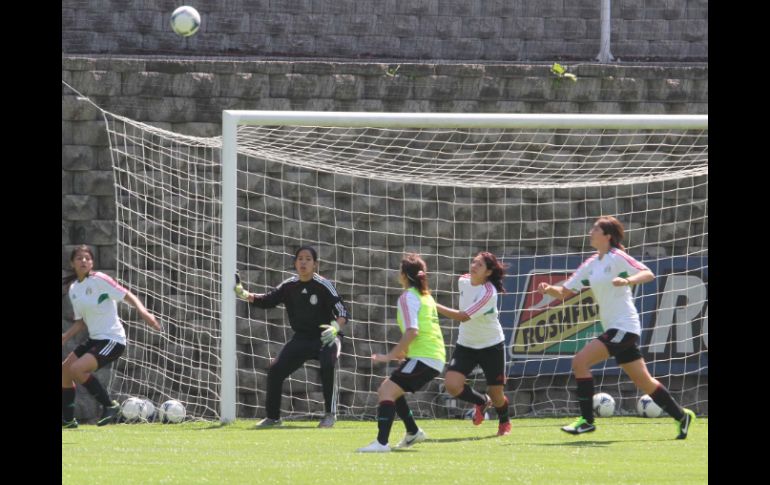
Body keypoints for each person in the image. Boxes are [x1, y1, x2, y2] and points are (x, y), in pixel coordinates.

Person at [537, 216, 696, 439]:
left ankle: (586, 421)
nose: (590, 232)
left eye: (595, 229)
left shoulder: (617, 257)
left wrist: (627, 281)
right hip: (616, 328)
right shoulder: (591, 263)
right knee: (643, 381)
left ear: (607, 236)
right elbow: (564, 292)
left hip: (624, 327)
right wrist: (548, 289)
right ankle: (681, 416)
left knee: (580, 362)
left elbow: (647, 273)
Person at [235, 246, 349, 428]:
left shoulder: (324, 285)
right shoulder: (289, 286)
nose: (304, 262)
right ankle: (273, 418)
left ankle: (330, 414)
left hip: (326, 337)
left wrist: (335, 328)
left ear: (315, 264)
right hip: (302, 338)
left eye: (308, 259)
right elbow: (267, 300)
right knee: (275, 369)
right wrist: (243, 293)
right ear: (295, 263)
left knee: (328, 364)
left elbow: (343, 312)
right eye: (300, 259)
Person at [62, 245, 161, 428]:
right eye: (79, 258)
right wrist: (66, 336)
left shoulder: (100, 279)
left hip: (112, 339)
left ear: (92, 263)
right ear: (72, 263)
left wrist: (144, 312)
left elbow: (126, 294)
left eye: (87, 258)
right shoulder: (74, 289)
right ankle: (68, 420)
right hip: (95, 339)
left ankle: (110, 406)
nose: (83, 261)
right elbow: (81, 321)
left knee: (77, 369)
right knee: (65, 371)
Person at [357, 253, 446, 452]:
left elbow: (413, 331)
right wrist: (404, 353)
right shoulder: (425, 296)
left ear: (404, 275)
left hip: (425, 357)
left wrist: (389, 355)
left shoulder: (408, 297)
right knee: (390, 388)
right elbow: (424, 329)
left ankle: (381, 443)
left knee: (386, 391)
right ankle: (412, 431)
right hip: (432, 356)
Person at [435, 251, 511, 436]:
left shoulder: (489, 293)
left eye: (480, 264)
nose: (474, 266)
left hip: (491, 345)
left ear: (488, 272)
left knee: (497, 394)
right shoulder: (463, 280)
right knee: (452, 385)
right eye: (474, 262)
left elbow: (464, 316)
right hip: (466, 344)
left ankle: (504, 421)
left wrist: (433, 304)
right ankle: (481, 401)